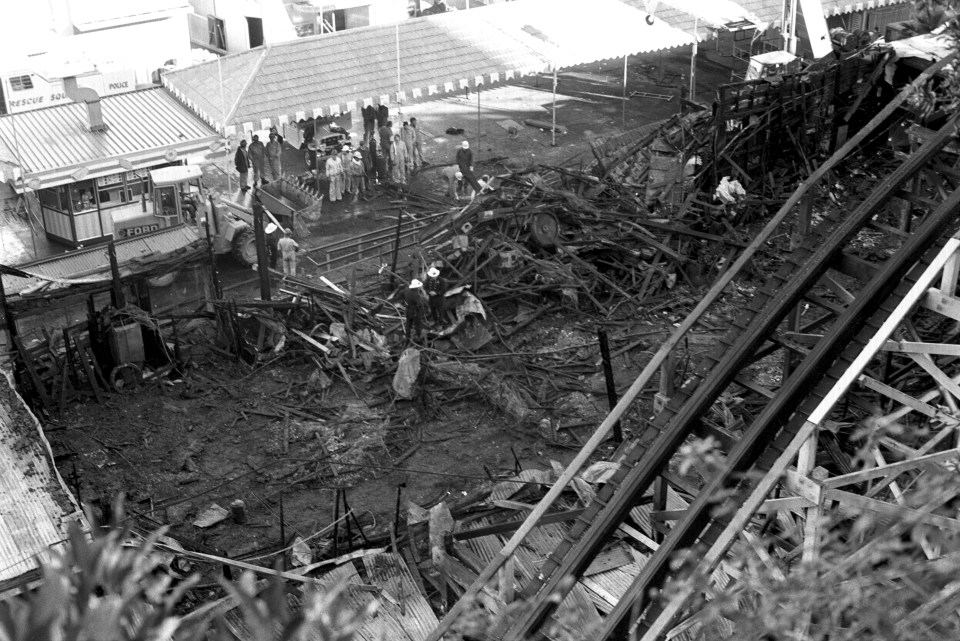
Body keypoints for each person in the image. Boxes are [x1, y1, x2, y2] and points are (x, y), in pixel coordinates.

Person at [404, 279, 426, 344]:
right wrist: (422, 310)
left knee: (408, 324)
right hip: (415, 312)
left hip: (408, 310)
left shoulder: (407, 291)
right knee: (417, 325)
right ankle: (418, 338)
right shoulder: (416, 295)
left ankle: (407, 337)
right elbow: (420, 304)